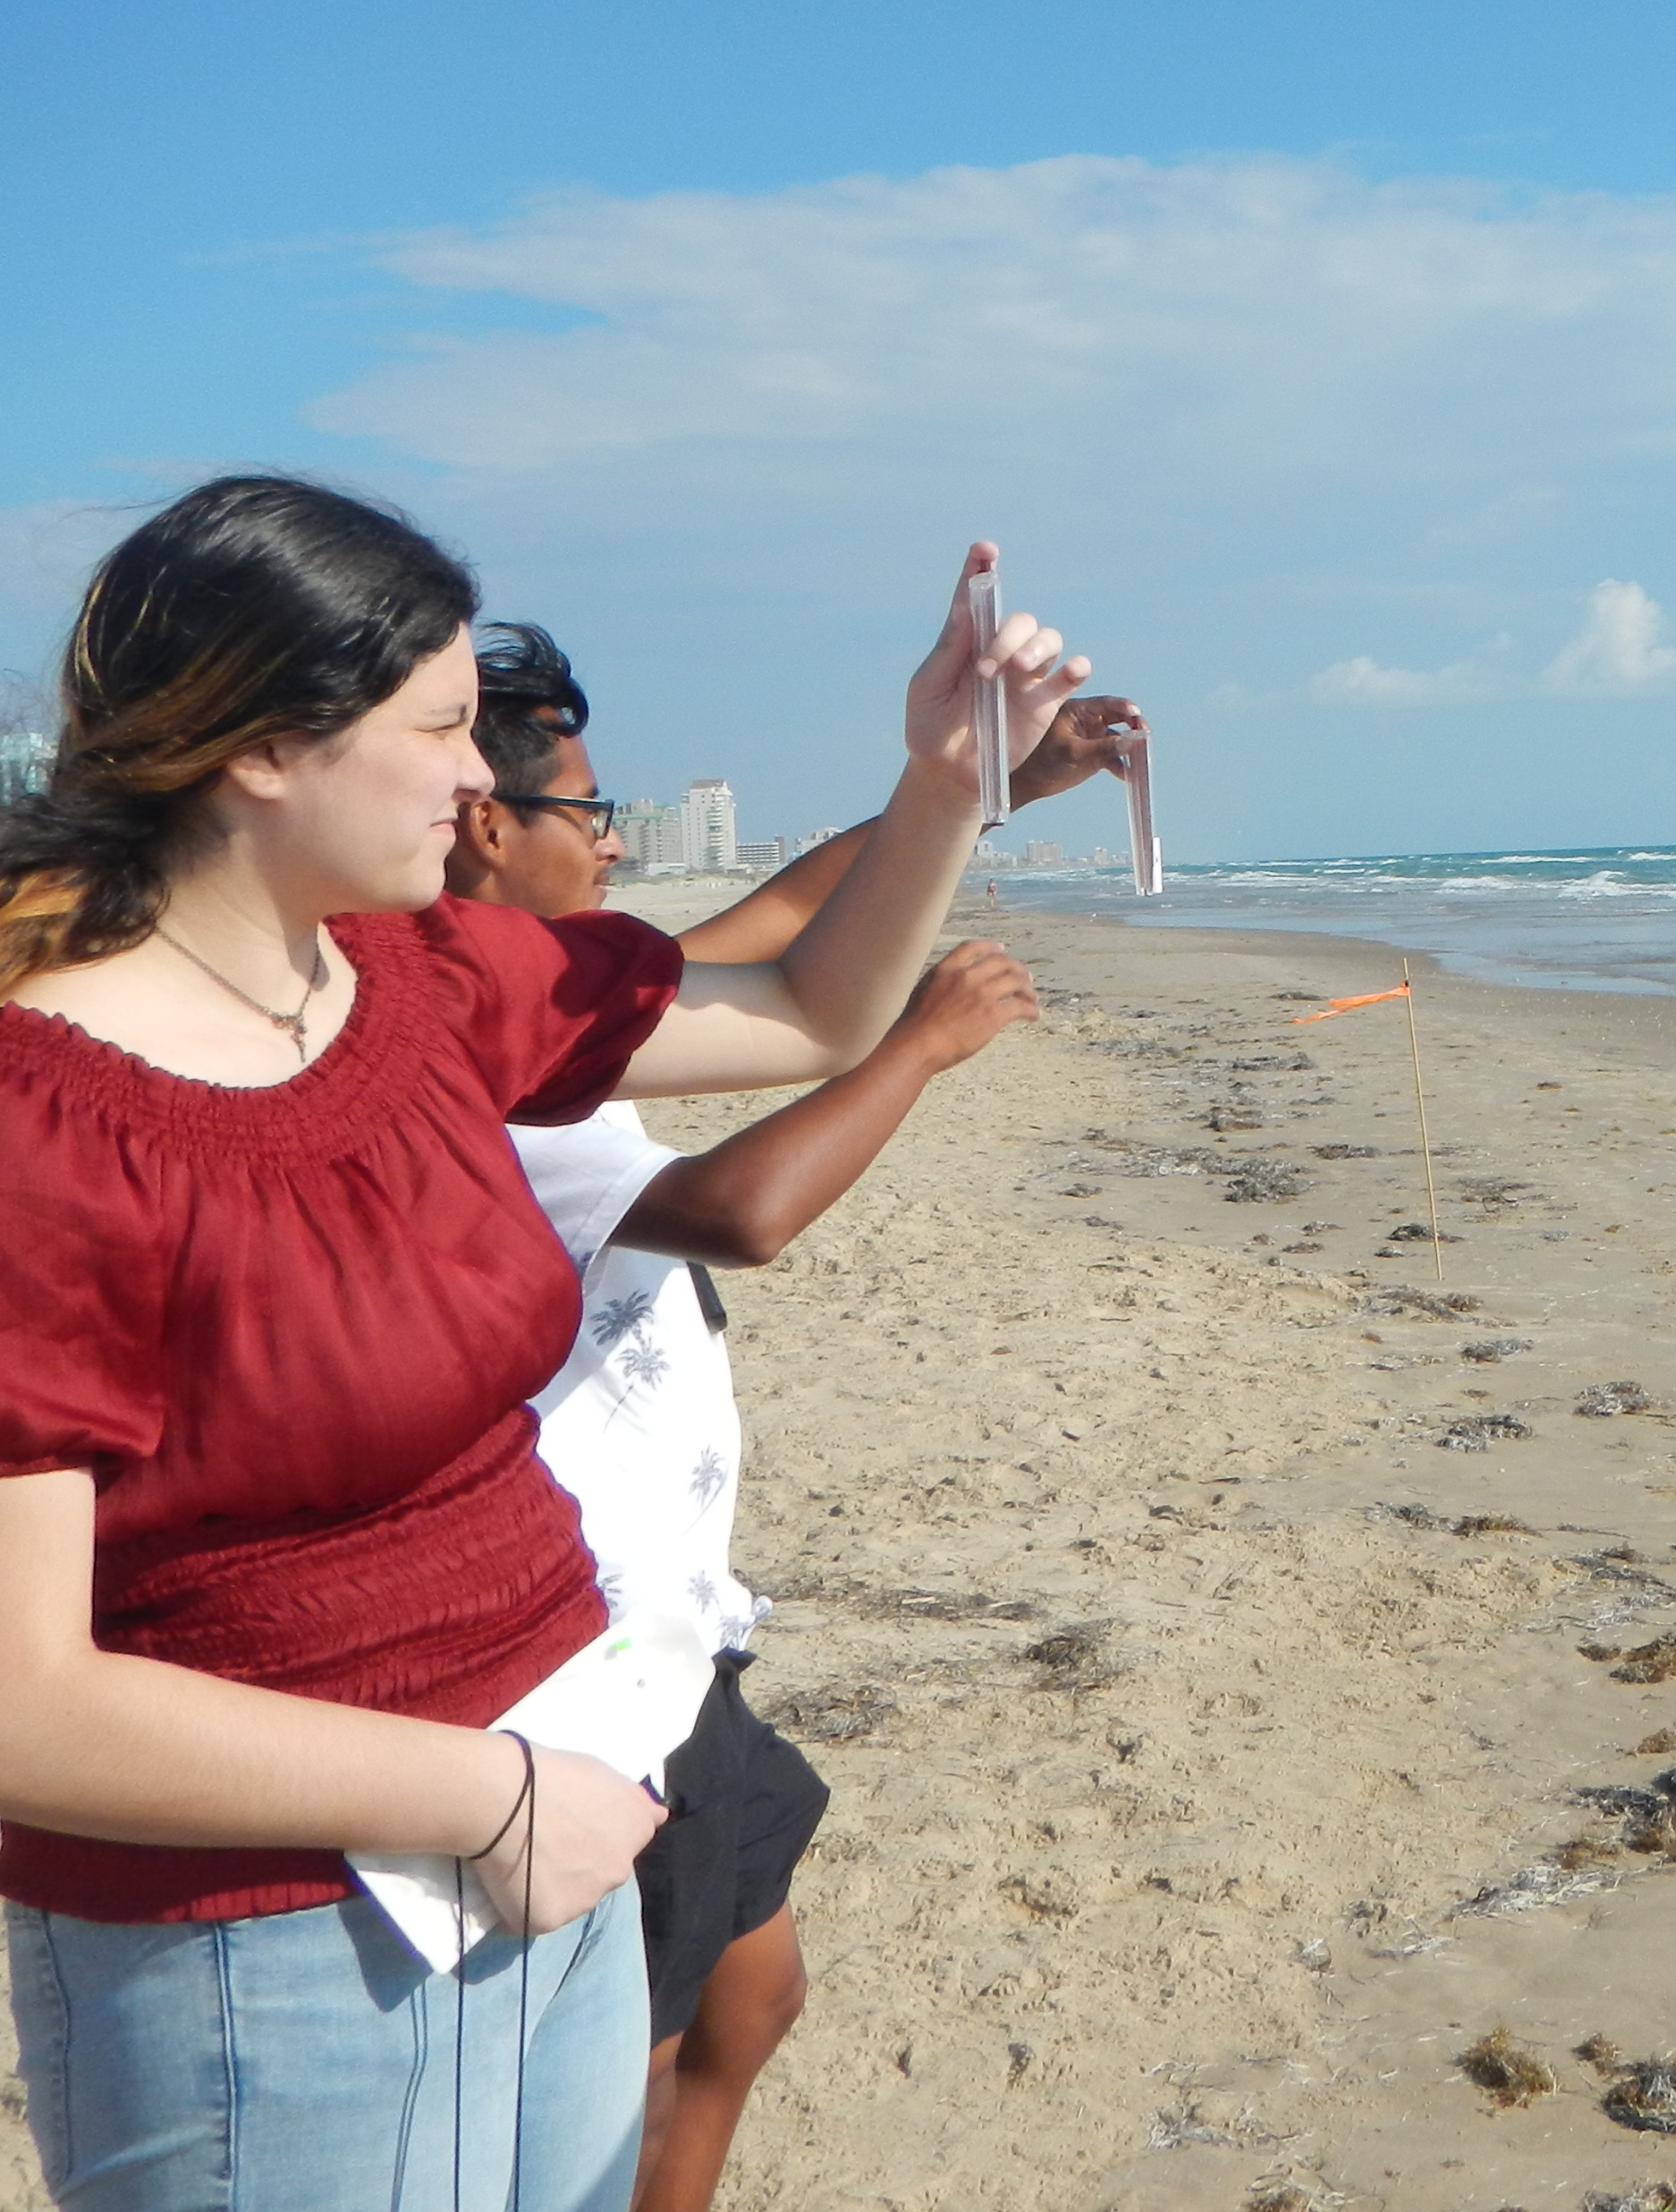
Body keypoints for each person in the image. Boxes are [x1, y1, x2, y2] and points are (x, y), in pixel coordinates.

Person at [0, 477, 1085, 2211]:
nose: (476, 781)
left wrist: (947, 783)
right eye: (439, 729)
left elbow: (811, 1010)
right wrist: (484, 1798)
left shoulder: (415, 980)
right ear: (266, 749)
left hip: (564, 1812)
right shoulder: (43, 1124)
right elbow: (20, 1706)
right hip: (267, 1948)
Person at [446, 627, 1138, 2211]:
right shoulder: (474, 1074)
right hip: (593, 1657)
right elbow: (736, 1210)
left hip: (687, 1628)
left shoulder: (557, 1003)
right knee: (627, 2050)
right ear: (487, 827)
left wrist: (995, 788)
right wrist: (920, 1048)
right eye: (590, 812)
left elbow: (782, 918)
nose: (614, 841)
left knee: (752, 1995)